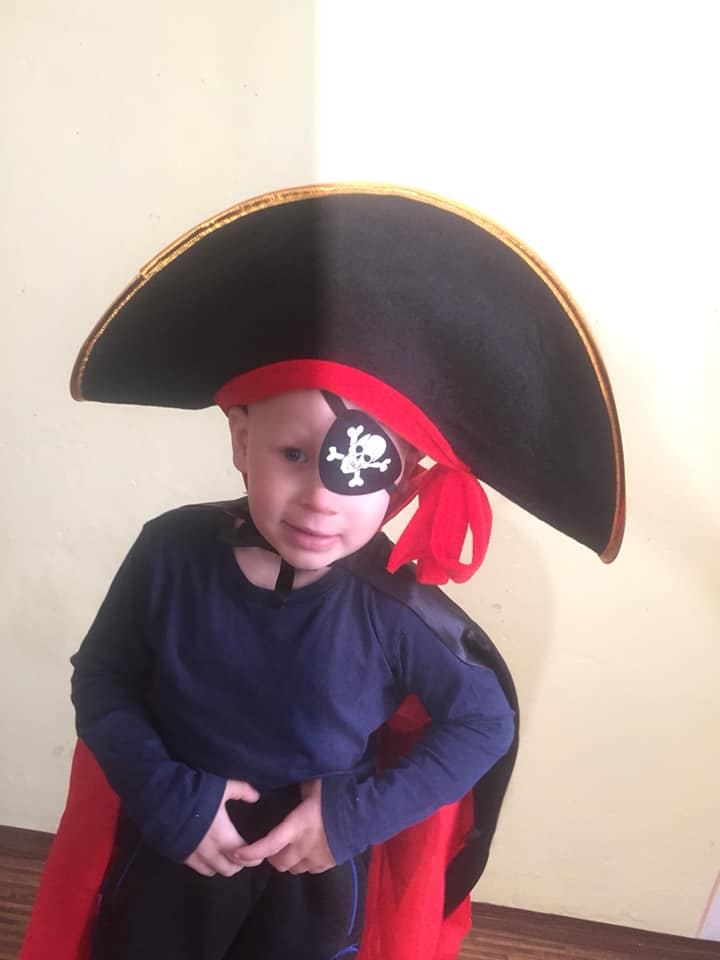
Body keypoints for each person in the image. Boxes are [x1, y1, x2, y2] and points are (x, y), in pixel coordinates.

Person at [21, 184, 624, 960]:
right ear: (241, 440)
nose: (320, 498)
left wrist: (351, 819)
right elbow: (102, 677)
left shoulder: (396, 611)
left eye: (358, 471)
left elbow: (484, 722)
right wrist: (168, 798)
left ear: (402, 483)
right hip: (171, 853)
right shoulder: (170, 554)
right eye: (294, 454)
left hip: (310, 889)